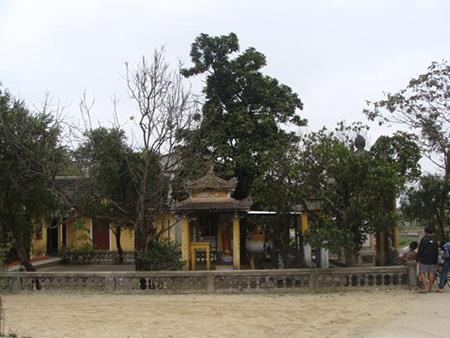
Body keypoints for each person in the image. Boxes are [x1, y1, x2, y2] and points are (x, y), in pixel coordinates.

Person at [416, 227, 439, 293]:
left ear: (425, 232)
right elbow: (436, 251)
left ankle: (426, 288)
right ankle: (430, 289)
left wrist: (418, 259)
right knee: (431, 273)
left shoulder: (423, 239)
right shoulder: (434, 240)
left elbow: (420, 250)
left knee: (422, 272)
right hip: (432, 259)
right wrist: (436, 261)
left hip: (424, 259)